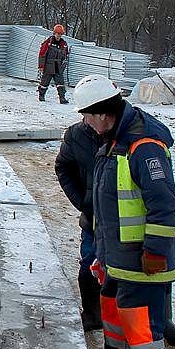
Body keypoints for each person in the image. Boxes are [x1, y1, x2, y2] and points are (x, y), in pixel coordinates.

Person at [72, 75, 175, 349]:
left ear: (103, 113)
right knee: (112, 310)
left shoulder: (144, 146)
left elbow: (163, 205)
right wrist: (103, 254)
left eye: (87, 116)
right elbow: (112, 206)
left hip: (142, 261)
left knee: (141, 326)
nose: (85, 123)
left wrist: (154, 252)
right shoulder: (113, 138)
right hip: (118, 256)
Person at [54, 119, 103, 331]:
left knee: (145, 274)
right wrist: (83, 201)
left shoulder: (131, 132)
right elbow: (63, 167)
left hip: (129, 221)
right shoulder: (77, 134)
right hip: (94, 217)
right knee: (89, 265)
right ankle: (92, 314)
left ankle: (162, 321)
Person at [38, 24, 70, 103]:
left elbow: (65, 56)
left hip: (58, 67)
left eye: (60, 34)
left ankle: (62, 98)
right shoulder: (48, 42)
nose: (59, 35)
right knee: (44, 82)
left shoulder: (64, 44)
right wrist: (41, 66)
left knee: (60, 83)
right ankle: (41, 96)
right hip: (48, 66)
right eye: (58, 33)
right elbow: (42, 54)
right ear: (54, 33)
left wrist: (62, 67)